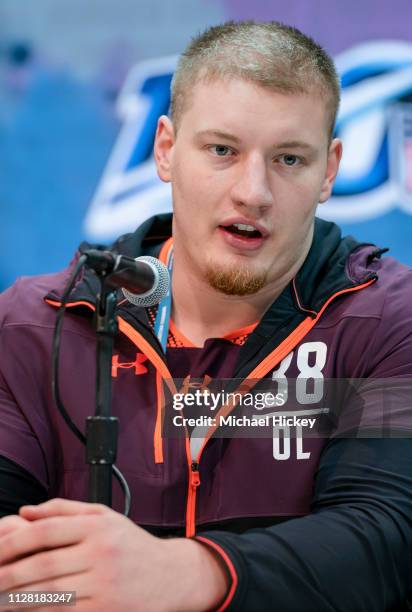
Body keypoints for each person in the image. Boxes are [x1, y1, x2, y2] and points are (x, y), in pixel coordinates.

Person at [0, 20, 411, 611]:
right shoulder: (37, 323)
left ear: (329, 169)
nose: (254, 191)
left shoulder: (390, 321)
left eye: (289, 159)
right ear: (165, 150)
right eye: (222, 150)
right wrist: (52, 593)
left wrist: (186, 573)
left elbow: (387, 541)